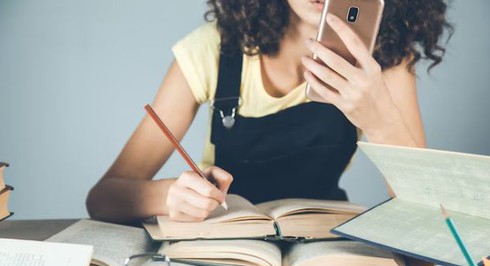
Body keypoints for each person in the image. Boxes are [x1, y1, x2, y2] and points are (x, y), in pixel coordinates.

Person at [86, 0, 451, 224]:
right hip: (225, 251)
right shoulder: (211, 50)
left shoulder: (387, 62)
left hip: (326, 251)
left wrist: (380, 118)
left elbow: (433, 218)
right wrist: (169, 197)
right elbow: (102, 199)